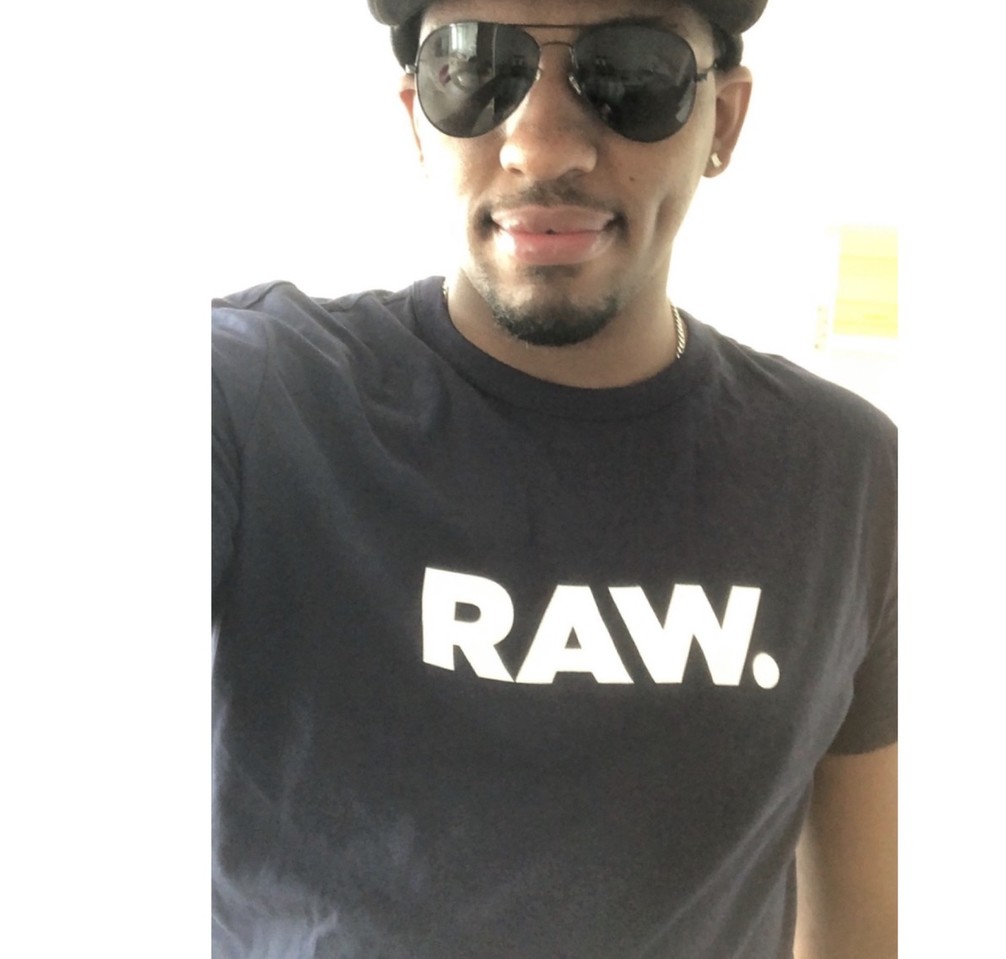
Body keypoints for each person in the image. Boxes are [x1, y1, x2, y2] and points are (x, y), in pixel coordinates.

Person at [211, 0, 898, 956]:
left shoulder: (850, 477)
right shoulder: (255, 398)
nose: (539, 146)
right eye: (473, 68)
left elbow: (867, 923)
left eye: (632, 70)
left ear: (725, 122)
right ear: (417, 118)